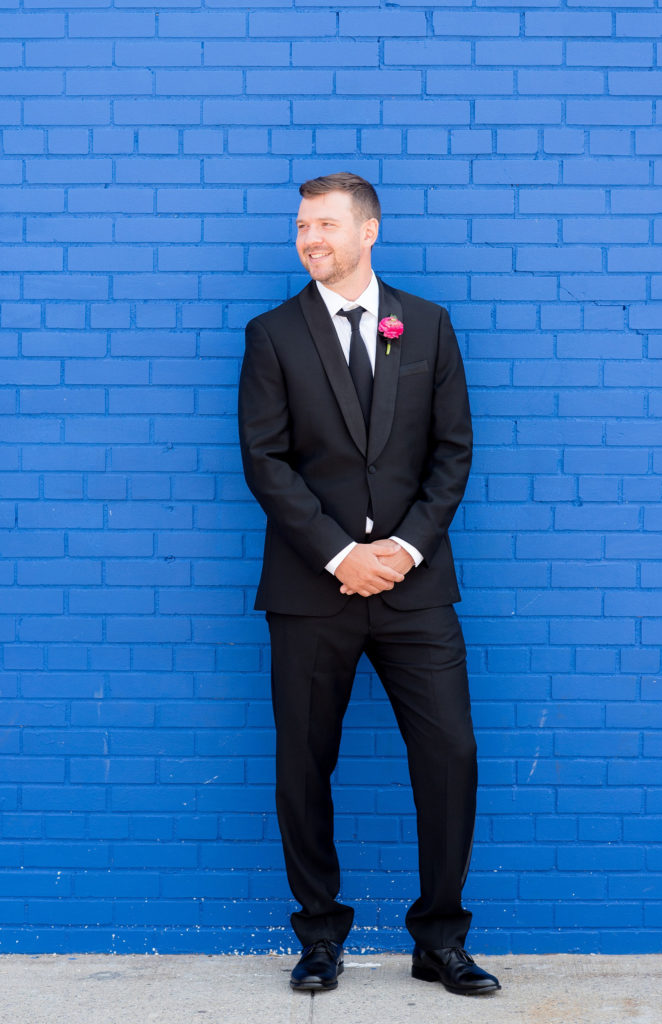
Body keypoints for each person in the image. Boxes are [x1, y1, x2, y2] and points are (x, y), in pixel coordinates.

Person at [238, 172, 500, 997]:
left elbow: (452, 452)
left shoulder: (425, 325)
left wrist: (406, 550)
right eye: (300, 226)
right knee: (303, 763)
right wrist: (339, 555)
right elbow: (266, 462)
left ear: (368, 232)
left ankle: (440, 938)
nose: (309, 238)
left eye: (324, 225)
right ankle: (319, 936)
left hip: (415, 590)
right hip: (311, 593)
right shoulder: (272, 334)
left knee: (451, 753)